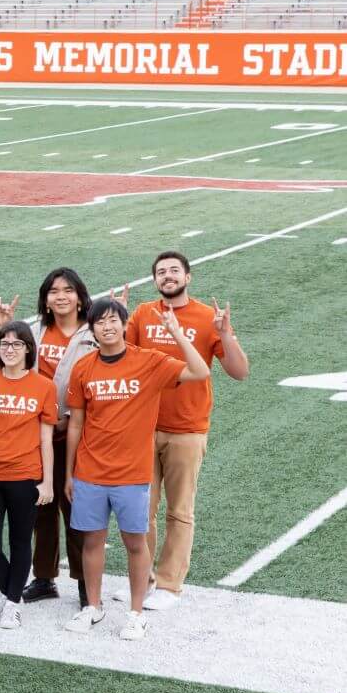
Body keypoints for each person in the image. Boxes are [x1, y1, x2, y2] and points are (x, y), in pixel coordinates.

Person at [63, 297, 210, 641]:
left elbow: (200, 371)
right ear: (92, 328)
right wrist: (70, 472)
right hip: (90, 472)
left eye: (114, 320)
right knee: (92, 541)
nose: (107, 327)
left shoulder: (149, 361)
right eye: (100, 322)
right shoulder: (83, 368)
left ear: (124, 324)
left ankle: (135, 612)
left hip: (132, 474)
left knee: (135, 542)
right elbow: (75, 424)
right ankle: (93, 607)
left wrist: (176, 334)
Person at [125, 251, 249, 610]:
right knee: (140, 510)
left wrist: (226, 335)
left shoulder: (207, 317)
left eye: (174, 270)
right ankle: (143, 578)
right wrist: (116, 320)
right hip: (143, 427)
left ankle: (168, 585)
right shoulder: (142, 314)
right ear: (155, 280)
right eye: (161, 272)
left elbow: (239, 372)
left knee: (179, 510)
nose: (167, 276)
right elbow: (124, 359)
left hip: (187, 428)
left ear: (188, 277)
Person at [0, 267, 97, 605]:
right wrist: (4, 328)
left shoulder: (92, 333)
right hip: (37, 434)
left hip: (76, 433)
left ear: (81, 296)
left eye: (68, 290)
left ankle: (86, 582)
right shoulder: (36, 330)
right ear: (45, 298)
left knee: (75, 508)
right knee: (41, 507)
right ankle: (44, 578)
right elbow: (11, 365)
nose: (61, 296)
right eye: (54, 291)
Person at [0, 321, 56, 629]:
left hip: (25, 476)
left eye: (16, 344)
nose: (9, 349)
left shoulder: (44, 386)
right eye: (4, 344)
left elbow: (46, 439)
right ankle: (12, 596)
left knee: (20, 541)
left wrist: (47, 481)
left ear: (28, 349)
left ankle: (10, 602)